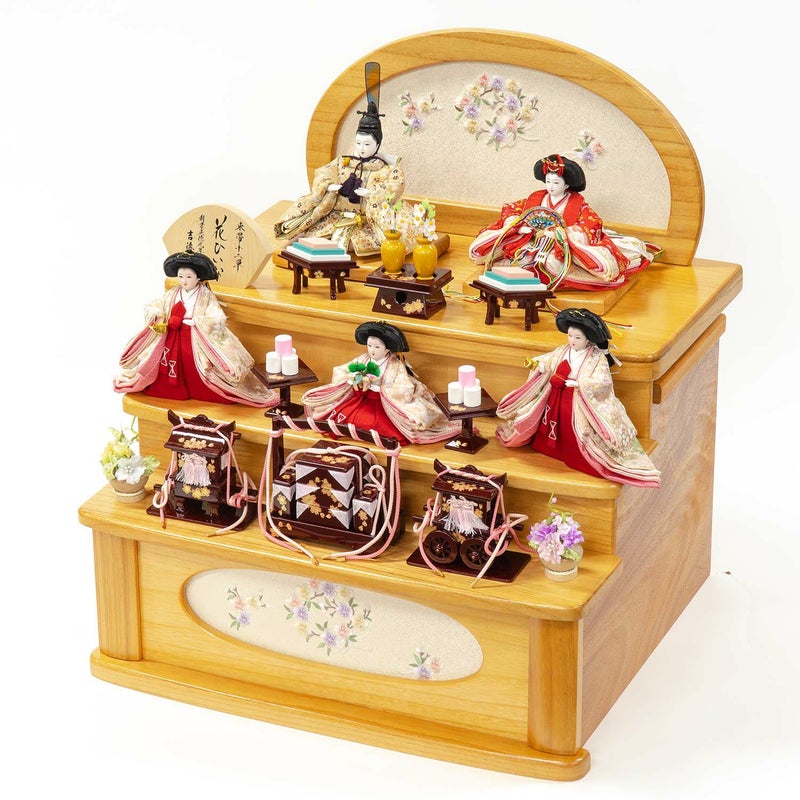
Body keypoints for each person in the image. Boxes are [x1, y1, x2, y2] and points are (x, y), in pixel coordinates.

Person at [495, 308, 660, 487]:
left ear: (588, 339)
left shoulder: (596, 357)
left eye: (577, 337)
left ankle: (574, 455)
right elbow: (550, 360)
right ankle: (548, 447)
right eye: (570, 336)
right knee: (551, 421)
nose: (572, 340)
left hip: (576, 398)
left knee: (571, 427)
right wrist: (539, 365)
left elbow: (603, 381)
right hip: (556, 394)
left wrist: (580, 384)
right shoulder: (563, 350)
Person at [274, 62, 409, 256]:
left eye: (367, 144)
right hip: (337, 216)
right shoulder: (343, 162)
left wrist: (371, 193)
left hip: (366, 221)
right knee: (315, 238)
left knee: (370, 242)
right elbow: (323, 173)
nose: (361, 148)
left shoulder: (387, 169)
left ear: (377, 144)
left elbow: (395, 188)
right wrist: (328, 187)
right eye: (358, 143)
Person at [113, 251, 279, 408]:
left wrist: (199, 323)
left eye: (189, 277)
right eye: (181, 276)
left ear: (198, 277)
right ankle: (170, 390)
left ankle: (202, 391)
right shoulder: (173, 293)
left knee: (197, 368)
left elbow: (217, 317)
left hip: (194, 337)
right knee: (167, 364)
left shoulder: (205, 295)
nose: (184, 281)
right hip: (172, 335)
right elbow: (156, 305)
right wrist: (158, 314)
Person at [468, 154, 658, 290]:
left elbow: (591, 223)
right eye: (548, 182)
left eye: (556, 183)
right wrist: (520, 226)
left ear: (566, 185)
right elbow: (513, 209)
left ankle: (553, 280)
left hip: (561, 246)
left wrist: (564, 234)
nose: (551, 186)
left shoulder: (577, 204)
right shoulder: (537, 199)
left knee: (553, 264)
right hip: (533, 241)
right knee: (514, 261)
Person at [301, 321, 460, 446]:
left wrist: (378, 386)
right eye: (369, 345)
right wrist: (352, 378)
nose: (372, 350)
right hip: (360, 399)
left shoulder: (395, 365)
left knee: (375, 424)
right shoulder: (363, 359)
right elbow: (341, 370)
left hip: (381, 404)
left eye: (377, 347)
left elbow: (403, 387)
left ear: (387, 349)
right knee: (346, 418)